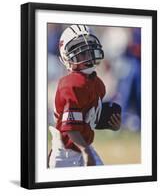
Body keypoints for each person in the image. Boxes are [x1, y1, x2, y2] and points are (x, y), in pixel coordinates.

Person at [48, 24, 121, 168]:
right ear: (67, 57)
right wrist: (86, 151)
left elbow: (86, 120)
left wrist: (111, 124)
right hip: (66, 154)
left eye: (88, 50)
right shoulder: (71, 84)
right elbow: (70, 128)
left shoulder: (97, 83)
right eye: (81, 52)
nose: (87, 56)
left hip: (83, 147)